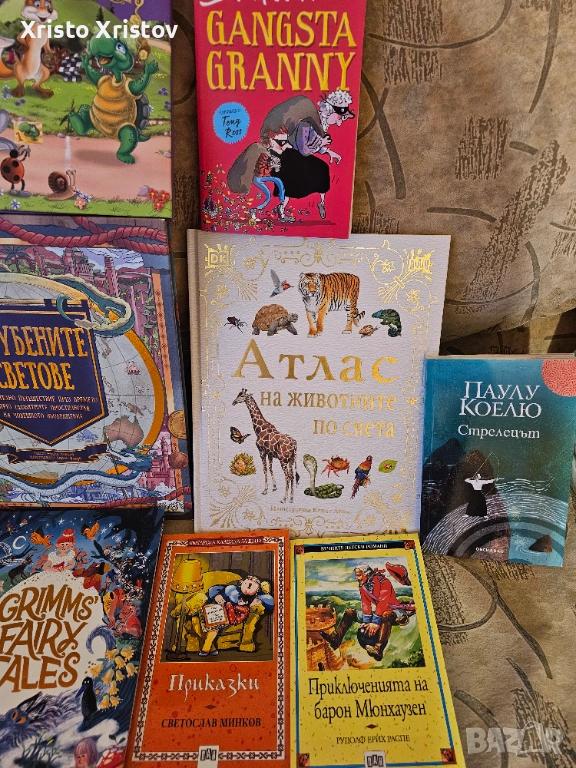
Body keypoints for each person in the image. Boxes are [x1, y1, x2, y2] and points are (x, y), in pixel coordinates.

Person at [261, 90, 355, 220]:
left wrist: (328, 151)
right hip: (287, 155)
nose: (339, 123)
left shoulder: (320, 124)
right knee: (292, 182)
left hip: (296, 154)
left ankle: (321, 203)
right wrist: (321, 142)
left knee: (322, 168)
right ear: (330, 111)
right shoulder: (306, 123)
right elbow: (304, 150)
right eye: (340, 117)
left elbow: (312, 144)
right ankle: (281, 209)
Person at [320, 563, 414, 662]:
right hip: (379, 612)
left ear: (367, 574)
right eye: (356, 576)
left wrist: (375, 622)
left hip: (393, 611)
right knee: (349, 612)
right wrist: (366, 621)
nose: (357, 578)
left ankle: (378, 649)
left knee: (385, 614)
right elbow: (365, 604)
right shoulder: (363, 586)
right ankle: (336, 640)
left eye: (359, 575)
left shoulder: (384, 582)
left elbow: (383, 602)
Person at [227, 130, 295, 223]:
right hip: (258, 178)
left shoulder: (268, 153)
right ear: (270, 141)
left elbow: (274, 168)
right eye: (281, 142)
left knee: (278, 181)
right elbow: (261, 171)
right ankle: (254, 211)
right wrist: (271, 165)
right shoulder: (263, 153)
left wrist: (275, 166)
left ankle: (281, 204)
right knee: (268, 196)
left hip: (261, 177)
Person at [199, 575, 274, 657]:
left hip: (228, 616)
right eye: (246, 583)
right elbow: (214, 589)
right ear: (241, 583)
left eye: (252, 586)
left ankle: (206, 649)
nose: (247, 587)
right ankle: (211, 648)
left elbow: (270, 601)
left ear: (257, 590)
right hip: (213, 609)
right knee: (199, 622)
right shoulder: (232, 589)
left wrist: (260, 600)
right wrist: (216, 595)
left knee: (214, 627)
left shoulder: (256, 597)